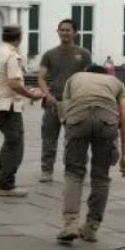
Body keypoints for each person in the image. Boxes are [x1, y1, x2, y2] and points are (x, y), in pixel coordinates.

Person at [57, 65, 125, 243]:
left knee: (73, 173)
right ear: (104, 75)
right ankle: (91, 228)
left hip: (78, 116)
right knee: (101, 176)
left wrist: (71, 134)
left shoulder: (75, 77)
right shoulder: (116, 82)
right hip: (107, 118)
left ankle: (70, 224)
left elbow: (65, 110)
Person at [0, 24, 44, 197]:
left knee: (11, 139)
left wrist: (27, 91)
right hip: (8, 105)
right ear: (19, 38)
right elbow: (13, 83)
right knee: (16, 145)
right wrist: (32, 95)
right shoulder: (12, 55)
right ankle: (6, 184)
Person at [37, 19, 92, 183]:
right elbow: (41, 77)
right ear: (58, 32)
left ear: (75, 33)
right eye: (61, 30)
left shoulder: (83, 54)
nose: (64, 33)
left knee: (75, 140)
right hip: (53, 103)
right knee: (49, 138)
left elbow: (89, 77)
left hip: (74, 104)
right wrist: (47, 95)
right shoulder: (49, 54)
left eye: (68, 30)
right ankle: (46, 170)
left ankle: (73, 170)